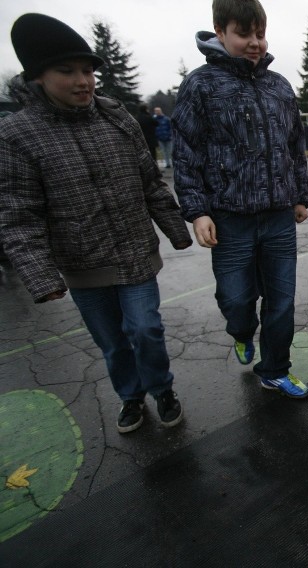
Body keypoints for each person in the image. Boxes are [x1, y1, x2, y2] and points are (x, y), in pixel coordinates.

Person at [0, 13, 193, 433]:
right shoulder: (17, 135)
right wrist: (40, 274)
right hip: (82, 264)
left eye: (87, 70)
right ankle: (130, 396)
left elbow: (150, 182)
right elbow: (18, 214)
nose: (83, 81)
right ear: (38, 77)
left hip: (136, 255)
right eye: (66, 71)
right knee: (112, 343)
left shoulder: (118, 119)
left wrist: (177, 229)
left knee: (146, 330)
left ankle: (162, 389)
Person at [172, 0, 308, 398]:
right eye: (243, 33)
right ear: (220, 31)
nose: (254, 43)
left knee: (282, 302)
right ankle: (241, 332)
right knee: (237, 299)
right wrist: (197, 211)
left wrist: (299, 196)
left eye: (260, 34)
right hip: (229, 218)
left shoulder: (279, 85)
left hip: (279, 217)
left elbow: (294, 145)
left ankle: (274, 369)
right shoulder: (200, 85)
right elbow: (186, 152)